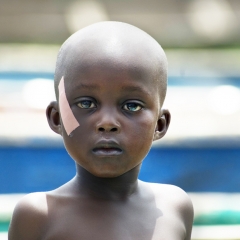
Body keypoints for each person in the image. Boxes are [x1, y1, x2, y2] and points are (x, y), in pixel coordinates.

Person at [8, 21, 193, 240]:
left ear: (160, 124)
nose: (107, 122)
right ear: (57, 118)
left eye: (131, 106)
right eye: (87, 104)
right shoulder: (39, 216)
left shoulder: (175, 208)